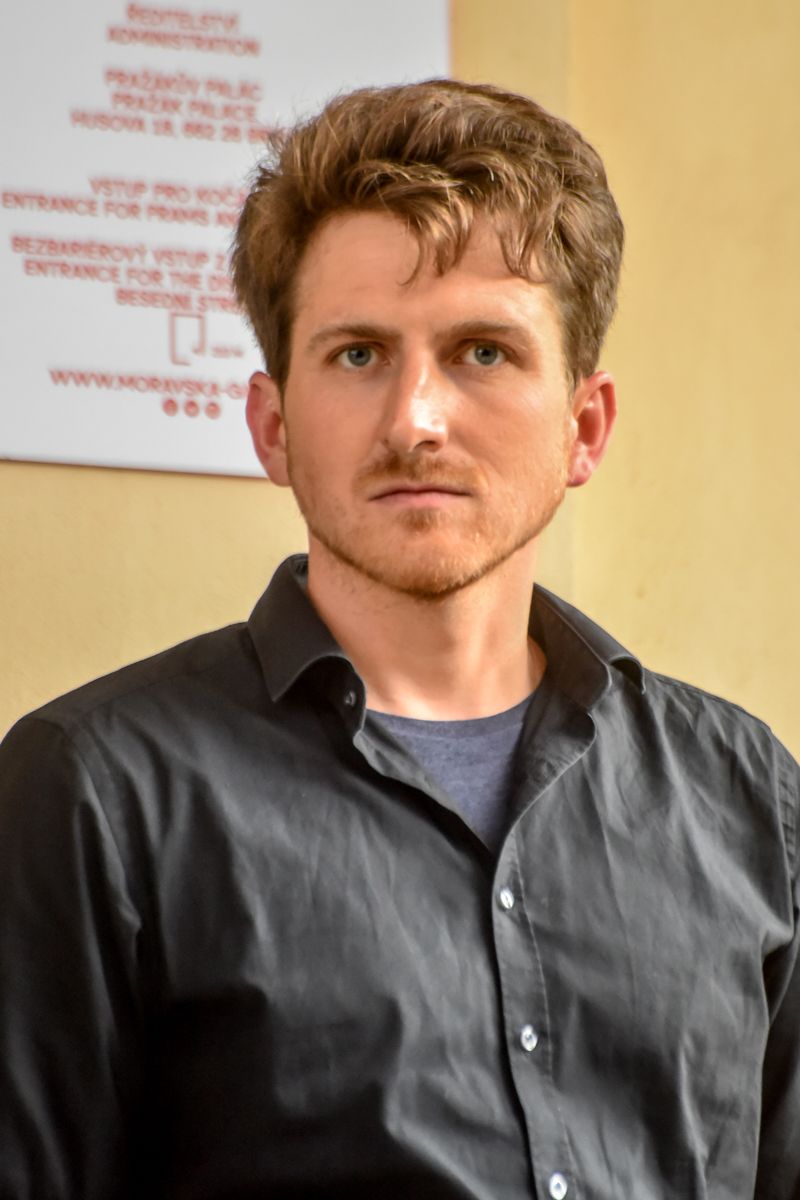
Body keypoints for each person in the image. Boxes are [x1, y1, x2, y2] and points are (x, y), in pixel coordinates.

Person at [0, 79, 797, 1200]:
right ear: (273, 427)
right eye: (359, 355)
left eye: (483, 352)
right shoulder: (90, 790)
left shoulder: (748, 793)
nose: (416, 419)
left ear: (584, 426)